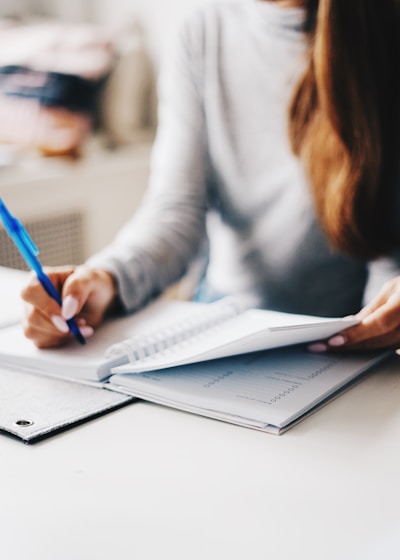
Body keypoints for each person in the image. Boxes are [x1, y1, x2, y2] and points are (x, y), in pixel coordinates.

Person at [21, 0, 400, 353]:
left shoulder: (384, 25)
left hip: (354, 348)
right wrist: (105, 278)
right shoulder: (203, 30)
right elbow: (175, 211)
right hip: (223, 335)